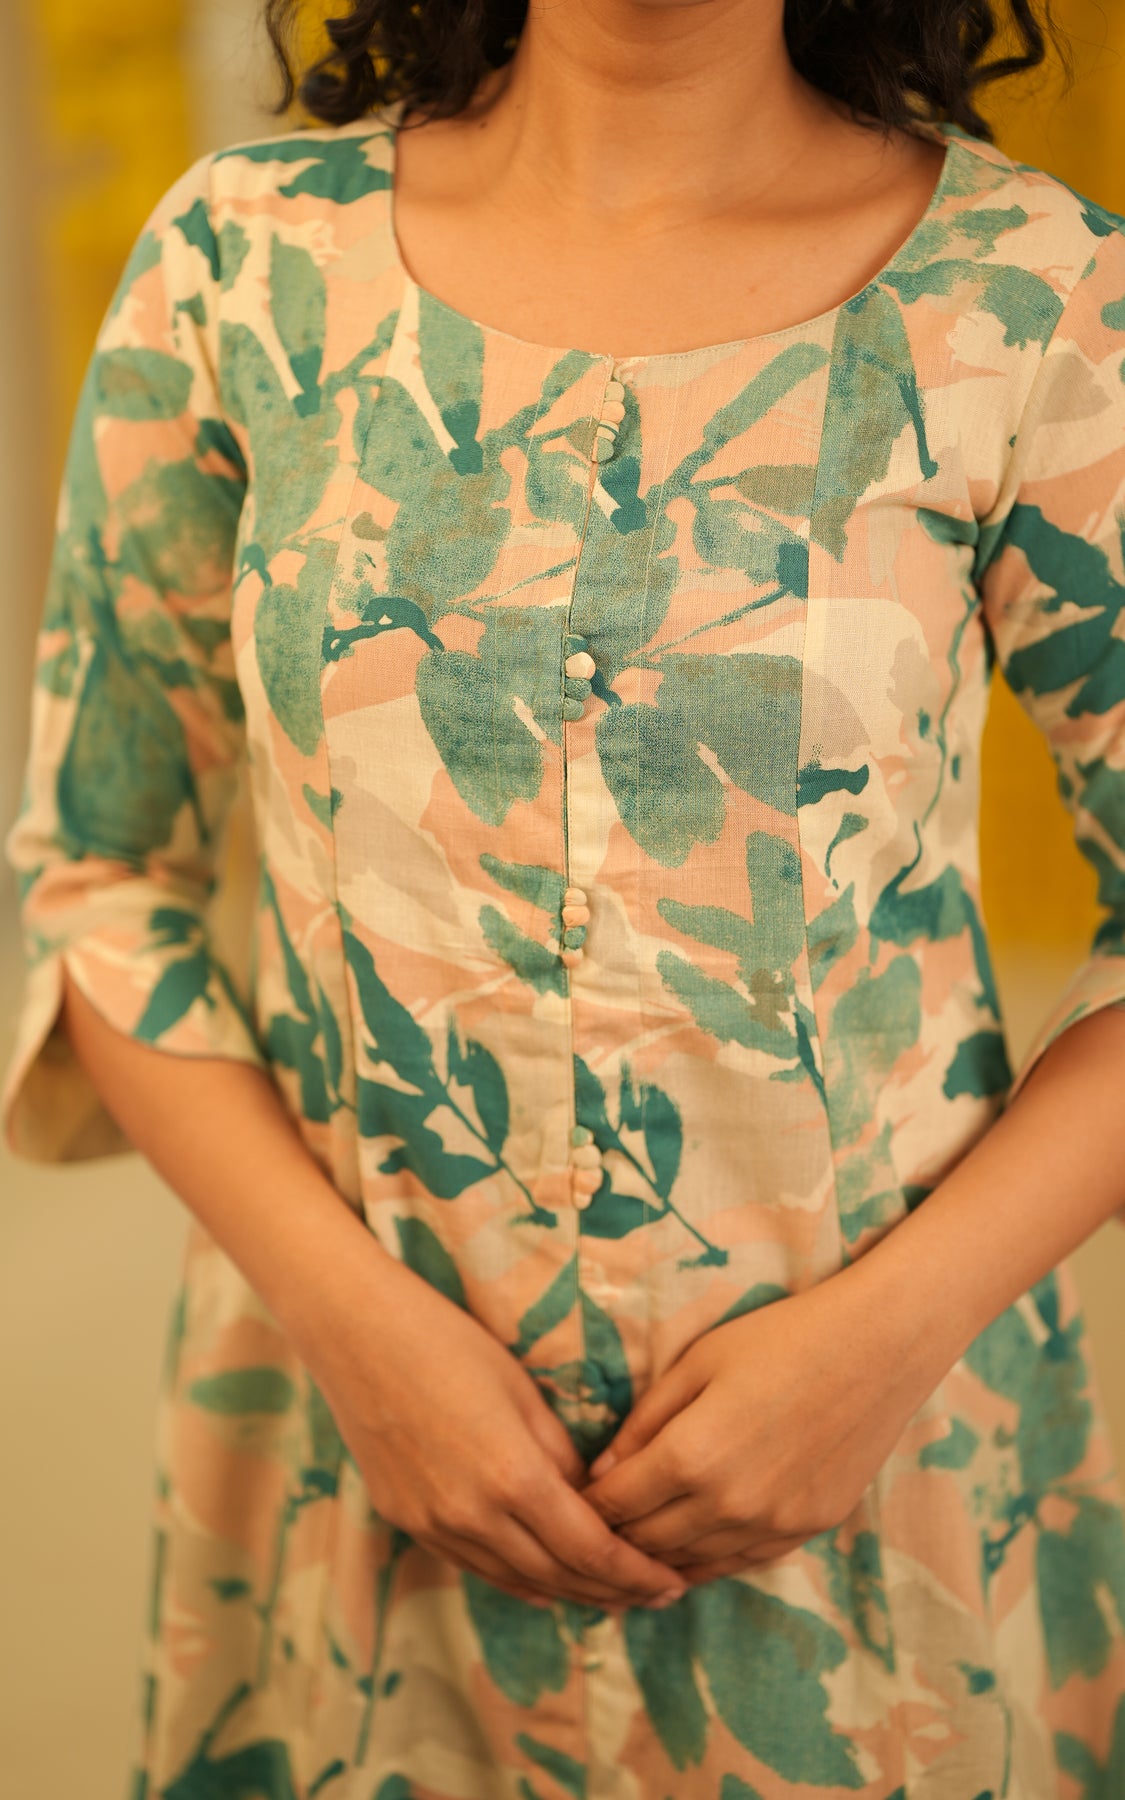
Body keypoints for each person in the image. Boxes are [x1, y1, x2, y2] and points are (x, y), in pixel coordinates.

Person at [6, 0, 1125, 1791]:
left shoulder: (1034, 297)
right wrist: (355, 1331)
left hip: (873, 1500)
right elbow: (100, 875)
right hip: (354, 1479)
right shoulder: (241, 264)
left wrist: (881, 1344)